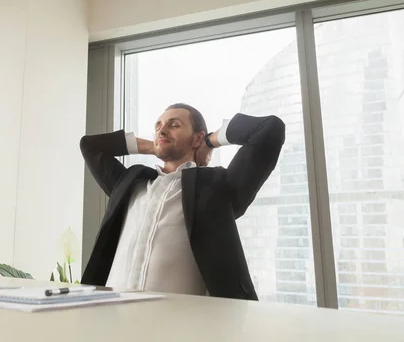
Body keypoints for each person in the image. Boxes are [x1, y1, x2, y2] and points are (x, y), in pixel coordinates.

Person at [79, 103, 285, 300]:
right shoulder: (131, 184)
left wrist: (209, 142)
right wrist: (154, 147)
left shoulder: (217, 188)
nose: (162, 130)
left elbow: (269, 129)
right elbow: (90, 146)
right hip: (112, 323)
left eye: (174, 125)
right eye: (158, 126)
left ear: (196, 138)